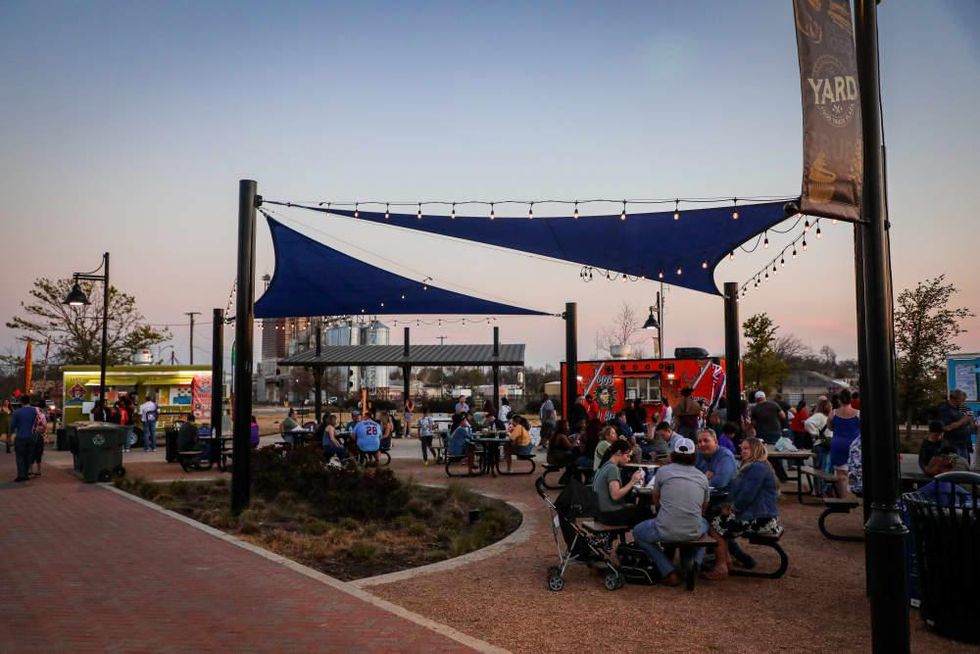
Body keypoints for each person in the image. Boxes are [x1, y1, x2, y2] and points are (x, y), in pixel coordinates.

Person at [632, 437, 711, 585]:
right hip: (693, 528)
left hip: (666, 527)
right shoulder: (702, 477)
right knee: (705, 525)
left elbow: (656, 500)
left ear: (673, 454)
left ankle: (667, 570)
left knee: (638, 532)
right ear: (694, 455)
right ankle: (696, 562)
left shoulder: (663, 471)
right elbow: (703, 508)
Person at [703, 438, 781, 580]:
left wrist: (733, 507)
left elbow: (747, 495)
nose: (743, 451)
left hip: (761, 518)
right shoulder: (757, 465)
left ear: (755, 450)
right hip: (760, 515)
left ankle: (721, 567)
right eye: (742, 448)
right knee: (716, 517)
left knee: (715, 525)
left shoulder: (757, 467)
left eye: (747, 449)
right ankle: (727, 561)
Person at [591, 440, 650, 526]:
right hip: (609, 515)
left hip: (600, 513)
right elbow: (615, 495)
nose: (629, 459)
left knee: (639, 510)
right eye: (627, 456)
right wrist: (632, 481)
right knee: (647, 514)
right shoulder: (612, 469)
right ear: (619, 452)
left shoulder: (604, 466)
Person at [830, 389, 861, 497]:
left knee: (841, 474)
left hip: (838, 444)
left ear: (839, 399)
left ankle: (843, 499)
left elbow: (830, 427)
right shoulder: (858, 413)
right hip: (854, 445)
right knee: (855, 472)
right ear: (851, 399)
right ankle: (856, 496)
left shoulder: (833, 413)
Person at [939, 389, 975, 460]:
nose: (963, 401)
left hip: (963, 442)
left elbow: (970, 421)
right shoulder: (945, 409)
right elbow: (947, 427)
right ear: (955, 399)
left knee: (965, 464)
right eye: (962, 399)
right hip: (953, 443)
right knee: (957, 465)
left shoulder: (962, 408)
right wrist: (964, 420)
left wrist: (972, 423)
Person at [7, 396, 37, 482]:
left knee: (20, 456)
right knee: (28, 456)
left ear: (21, 402)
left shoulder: (17, 412)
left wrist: (9, 437)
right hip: (32, 437)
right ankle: (26, 473)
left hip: (21, 437)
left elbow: (12, 426)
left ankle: (21, 475)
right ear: (29, 401)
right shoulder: (35, 411)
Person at [805, 398, 834, 475]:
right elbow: (808, 422)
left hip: (824, 445)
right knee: (822, 470)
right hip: (822, 445)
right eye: (830, 406)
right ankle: (821, 487)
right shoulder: (819, 415)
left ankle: (822, 486)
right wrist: (815, 433)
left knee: (822, 469)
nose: (831, 407)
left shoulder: (824, 416)